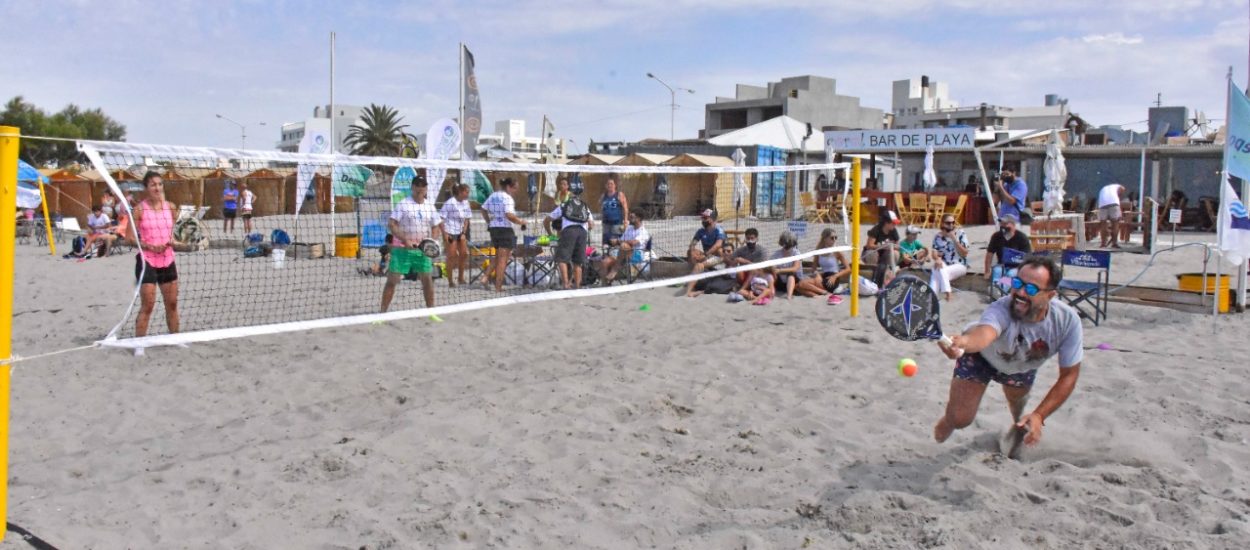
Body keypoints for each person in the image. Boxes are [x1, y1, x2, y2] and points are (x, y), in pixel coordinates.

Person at [934, 255, 1083, 452]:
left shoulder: (1066, 321)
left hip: (1021, 365)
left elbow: (1069, 376)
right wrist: (962, 343)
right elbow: (984, 334)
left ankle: (1018, 426)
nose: (1020, 292)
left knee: (1018, 407)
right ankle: (947, 422)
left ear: (1050, 295)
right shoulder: (1000, 309)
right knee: (960, 418)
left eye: (1030, 288)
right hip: (981, 356)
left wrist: (1039, 415)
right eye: (1017, 283)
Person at [130, 171, 181, 353]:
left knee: (172, 303)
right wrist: (149, 246)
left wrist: (174, 242)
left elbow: (173, 234)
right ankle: (139, 345)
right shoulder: (139, 209)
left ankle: (175, 338)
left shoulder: (172, 207)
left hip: (167, 259)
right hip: (147, 261)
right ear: (146, 188)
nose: (157, 188)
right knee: (148, 305)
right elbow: (129, 238)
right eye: (153, 185)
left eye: (160, 184)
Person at [382, 172, 443, 312]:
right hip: (402, 249)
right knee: (392, 281)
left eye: (423, 186)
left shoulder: (429, 206)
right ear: (412, 187)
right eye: (417, 185)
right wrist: (405, 240)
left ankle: (431, 312)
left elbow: (436, 226)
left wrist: (431, 241)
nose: (420, 188)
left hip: (422, 251)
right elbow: (392, 224)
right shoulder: (404, 204)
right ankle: (382, 313)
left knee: (428, 281)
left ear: (426, 188)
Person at [481, 177, 527, 292]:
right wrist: (521, 222)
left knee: (498, 256)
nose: (515, 191)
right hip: (504, 229)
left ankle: (485, 277)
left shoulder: (494, 195)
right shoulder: (507, 198)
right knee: (503, 259)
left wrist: (489, 222)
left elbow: (483, 209)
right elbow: (509, 215)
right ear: (508, 187)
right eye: (514, 188)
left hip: (494, 228)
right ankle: (498, 286)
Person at [545, 187, 595, 289]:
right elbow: (591, 224)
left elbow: (546, 220)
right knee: (578, 262)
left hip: (569, 231)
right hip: (582, 232)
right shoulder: (585, 206)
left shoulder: (564, 205)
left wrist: (550, 233)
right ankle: (577, 285)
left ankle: (566, 284)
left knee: (561, 259)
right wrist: (585, 229)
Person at [984, 214, 1032, 293]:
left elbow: (1028, 257)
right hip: (1001, 265)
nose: (1003, 226)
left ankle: (1000, 290)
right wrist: (987, 271)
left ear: (1013, 225)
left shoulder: (1022, 238)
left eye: (1005, 224)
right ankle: (996, 289)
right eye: (1001, 224)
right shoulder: (996, 236)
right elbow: (989, 254)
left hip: (1017, 267)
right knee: (997, 271)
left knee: (1011, 274)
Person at [684, 209, 727, 297]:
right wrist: (693, 252)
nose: (703, 220)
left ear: (712, 219)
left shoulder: (719, 230)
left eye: (705, 218)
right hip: (707, 255)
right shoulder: (701, 231)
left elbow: (718, 245)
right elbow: (692, 244)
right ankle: (694, 277)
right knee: (690, 252)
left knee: (699, 265)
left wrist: (705, 255)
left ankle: (689, 291)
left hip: (718, 257)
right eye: (702, 217)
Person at [771, 231, 824, 299]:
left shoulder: (796, 253)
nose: (787, 248)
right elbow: (771, 267)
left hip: (795, 281)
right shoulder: (777, 254)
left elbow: (795, 268)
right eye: (785, 245)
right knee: (771, 274)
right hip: (781, 283)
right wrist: (773, 269)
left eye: (789, 245)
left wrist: (780, 270)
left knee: (791, 274)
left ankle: (789, 296)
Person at [599, 211, 650, 283]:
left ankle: (615, 269)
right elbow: (621, 240)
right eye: (630, 217)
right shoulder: (629, 228)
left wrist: (619, 241)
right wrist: (615, 241)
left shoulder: (643, 232)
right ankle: (605, 285)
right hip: (621, 253)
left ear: (639, 218)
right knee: (605, 261)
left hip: (636, 254)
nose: (630, 219)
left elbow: (633, 242)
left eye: (632, 217)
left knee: (624, 245)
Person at [930, 214, 971, 302]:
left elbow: (965, 254)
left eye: (953, 222)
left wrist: (954, 240)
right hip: (944, 265)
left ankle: (932, 295)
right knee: (938, 268)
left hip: (960, 265)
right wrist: (937, 259)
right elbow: (933, 253)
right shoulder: (938, 237)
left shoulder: (960, 233)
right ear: (942, 224)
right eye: (948, 223)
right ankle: (938, 295)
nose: (951, 225)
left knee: (937, 270)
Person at [439, 183, 473, 287]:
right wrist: (445, 235)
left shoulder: (466, 203)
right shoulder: (450, 203)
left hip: (460, 232)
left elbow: (467, 219)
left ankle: (460, 278)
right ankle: (450, 281)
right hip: (450, 231)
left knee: (464, 254)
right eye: (466, 192)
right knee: (451, 256)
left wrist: (463, 233)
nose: (468, 194)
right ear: (460, 192)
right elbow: (441, 219)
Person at [814, 228, 852, 305]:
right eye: (832, 238)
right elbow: (813, 268)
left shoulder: (837, 252)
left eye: (836, 237)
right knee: (799, 285)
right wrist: (817, 274)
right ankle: (822, 293)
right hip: (823, 276)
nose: (834, 240)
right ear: (825, 239)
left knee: (803, 284)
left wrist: (835, 276)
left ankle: (825, 292)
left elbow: (848, 269)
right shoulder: (818, 251)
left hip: (833, 278)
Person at [864, 210, 901, 287]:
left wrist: (892, 246)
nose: (895, 225)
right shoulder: (876, 229)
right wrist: (882, 246)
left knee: (895, 253)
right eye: (893, 223)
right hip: (873, 254)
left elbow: (898, 246)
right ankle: (873, 276)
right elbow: (869, 245)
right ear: (886, 222)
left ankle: (889, 274)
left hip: (885, 255)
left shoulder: (893, 231)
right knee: (871, 253)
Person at [600, 176, 629, 246]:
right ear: (606, 186)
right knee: (606, 243)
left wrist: (625, 221)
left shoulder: (619, 194)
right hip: (606, 223)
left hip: (617, 223)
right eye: (608, 184)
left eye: (611, 184)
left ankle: (616, 256)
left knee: (615, 242)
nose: (610, 185)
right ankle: (606, 255)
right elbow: (601, 207)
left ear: (615, 185)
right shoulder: (603, 196)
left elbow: (625, 208)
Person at [1096, 183, 1126, 248]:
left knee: (1103, 224)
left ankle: (1103, 243)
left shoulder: (1104, 188)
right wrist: (1119, 197)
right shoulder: (1119, 187)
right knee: (1115, 223)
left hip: (1102, 204)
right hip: (1113, 203)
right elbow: (1123, 189)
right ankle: (1114, 243)